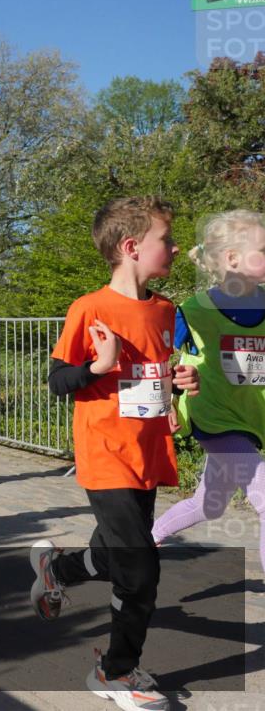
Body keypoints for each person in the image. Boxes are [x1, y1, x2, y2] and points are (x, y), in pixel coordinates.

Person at [32, 197, 199, 711]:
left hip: (148, 452)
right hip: (105, 453)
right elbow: (59, 380)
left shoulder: (167, 309)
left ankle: (55, 573)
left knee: (112, 557)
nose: (172, 247)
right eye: (164, 240)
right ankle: (115, 672)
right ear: (131, 247)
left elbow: (162, 371)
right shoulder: (90, 308)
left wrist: (184, 381)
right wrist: (100, 364)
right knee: (140, 571)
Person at [152, 210, 265, 569]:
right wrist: (166, 396)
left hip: (250, 419)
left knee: (209, 504)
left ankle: (146, 542)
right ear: (232, 258)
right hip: (214, 417)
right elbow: (154, 355)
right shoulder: (192, 311)